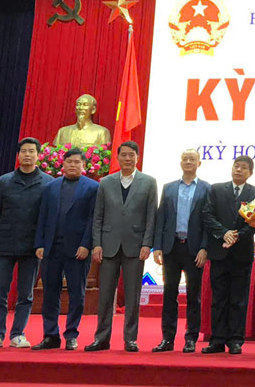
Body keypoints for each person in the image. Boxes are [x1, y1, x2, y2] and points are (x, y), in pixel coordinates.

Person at [85, 141, 157, 352]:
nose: (127, 158)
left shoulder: (149, 182)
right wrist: (97, 244)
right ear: (117, 158)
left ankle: (130, 339)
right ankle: (101, 338)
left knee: (133, 296)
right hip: (108, 245)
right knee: (105, 295)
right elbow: (98, 216)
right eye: (124, 155)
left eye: (131, 155)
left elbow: (151, 216)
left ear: (137, 157)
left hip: (136, 246)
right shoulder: (105, 182)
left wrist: (147, 244)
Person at [0, 137, 54, 349]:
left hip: (32, 246)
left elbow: (49, 218)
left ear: (38, 155)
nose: (27, 155)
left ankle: (18, 334)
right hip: (4, 243)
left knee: (26, 294)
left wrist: (44, 244)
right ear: (18, 155)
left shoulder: (48, 183)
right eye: (24, 151)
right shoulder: (4, 181)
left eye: (31, 151)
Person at [32, 148, 99, 351]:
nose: (72, 165)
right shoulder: (51, 187)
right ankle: (50, 335)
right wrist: (39, 244)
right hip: (51, 248)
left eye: (77, 162)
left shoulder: (93, 188)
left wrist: (86, 245)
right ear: (63, 164)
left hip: (78, 250)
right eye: (69, 162)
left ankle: (71, 334)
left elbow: (93, 219)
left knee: (76, 293)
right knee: (50, 293)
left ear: (84, 165)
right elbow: (42, 217)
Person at [201, 156, 255, 354]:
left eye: (244, 168)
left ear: (250, 173)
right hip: (219, 252)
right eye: (236, 166)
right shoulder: (217, 189)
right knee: (218, 299)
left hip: (241, 253)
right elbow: (207, 215)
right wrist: (224, 233)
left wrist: (236, 236)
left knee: (238, 299)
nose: (239, 170)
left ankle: (236, 340)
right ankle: (217, 340)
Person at [151, 149, 211, 353]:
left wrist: (204, 247)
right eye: (185, 159)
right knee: (169, 294)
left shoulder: (206, 189)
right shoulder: (168, 188)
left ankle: (191, 338)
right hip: (171, 247)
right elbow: (161, 218)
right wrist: (157, 247)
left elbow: (208, 222)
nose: (188, 162)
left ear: (199, 163)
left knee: (194, 295)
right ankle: (167, 339)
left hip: (194, 249)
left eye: (192, 159)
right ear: (180, 162)